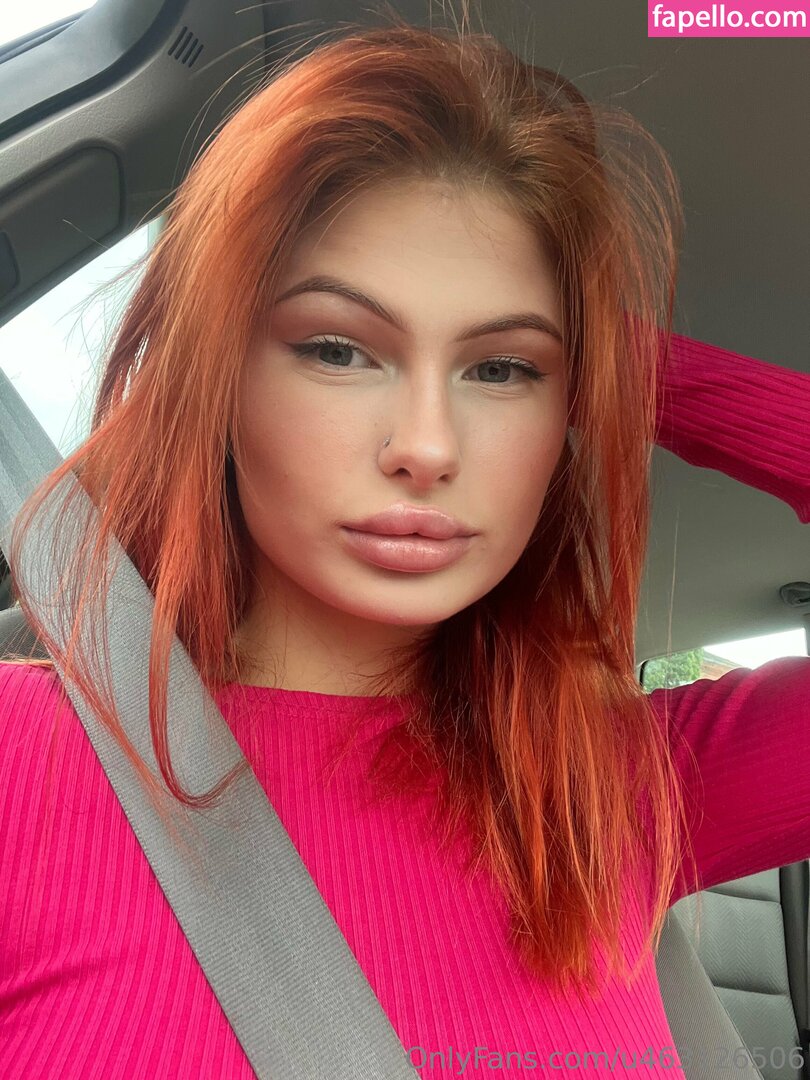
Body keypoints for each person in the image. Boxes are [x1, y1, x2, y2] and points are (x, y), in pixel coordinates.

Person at [1, 11, 809, 1079]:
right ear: (216, 380)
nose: (427, 447)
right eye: (338, 349)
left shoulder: (616, 789)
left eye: (502, 370)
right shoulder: (23, 756)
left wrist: (627, 370)